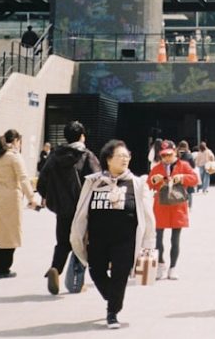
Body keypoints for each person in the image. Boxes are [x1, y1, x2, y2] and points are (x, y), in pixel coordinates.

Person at [71, 140, 155, 329]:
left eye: (127, 156)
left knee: (120, 275)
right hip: (98, 239)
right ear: (108, 159)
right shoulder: (93, 182)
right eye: (120, 156)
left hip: (125, 240)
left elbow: (148, 216)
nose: (125, 159)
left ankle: (112, 312)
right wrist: (77, 235)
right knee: (96, 271)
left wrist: (149, 242)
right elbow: (81, 210)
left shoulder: (138, 183)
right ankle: (113, 297)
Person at [36, 121, 101, 295]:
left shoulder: (55, 155)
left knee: (63, 243)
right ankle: (77, 283)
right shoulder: (86, 155)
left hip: (62, 209)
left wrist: (50, 198)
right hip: (83, 209)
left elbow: (42, 181)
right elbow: (99, 182)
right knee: (82, 243)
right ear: (82, 136)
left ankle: (55, 269)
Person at [0, 129, 41, 279]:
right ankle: (1, 266)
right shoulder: (14, 157)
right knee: (12, 235)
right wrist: (31, 198)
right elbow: (23, 178)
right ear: (15, 141)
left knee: (3, 233)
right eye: (20, 142)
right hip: (12, 199)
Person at [147, 140, 199, 280]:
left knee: (175, 239)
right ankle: (161, 264)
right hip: (161, 206)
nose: (166, 158)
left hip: (177, 207)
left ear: (175, 152)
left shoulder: (184, 165)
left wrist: (182, 177)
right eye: (164, 156)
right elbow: (148, 184)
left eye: (169, 155)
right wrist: (154, 180)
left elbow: (195, 179)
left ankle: (173, 267)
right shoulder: (157, 167)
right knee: (158, 239)